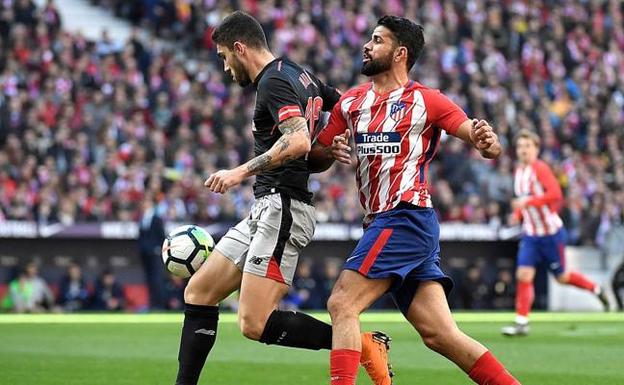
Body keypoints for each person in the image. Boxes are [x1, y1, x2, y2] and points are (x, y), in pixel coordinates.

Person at [174, 11, 392, 385]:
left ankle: (362, 343)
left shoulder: (272, 83)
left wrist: (238, 172)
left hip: (284, 207)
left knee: (253, 323)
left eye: (225, 57)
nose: (226, 68)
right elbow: (339, 106)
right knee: (199, 291)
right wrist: (332, 143)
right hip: (266, 206)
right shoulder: (297, 72)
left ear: (240, 48)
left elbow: (298, 140)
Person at [309, 15, 521, 385]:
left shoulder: (427, 100)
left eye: (377, 40)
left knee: (342, 303)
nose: (367, 45)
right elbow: (317, 155)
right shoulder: (351, 103)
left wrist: (488, 141)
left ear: (399, 53)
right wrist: (329, 152)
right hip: (389, 222)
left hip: (404, 216)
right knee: (440, 335)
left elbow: (476, 135)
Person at [501, 129, 610, 336]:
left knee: (561, 276)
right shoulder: (518, 172)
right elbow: (522, 201)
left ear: (536, 149)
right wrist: (518, 213)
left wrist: (528, 202)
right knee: (524, 274)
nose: (523, 150)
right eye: (520, 147)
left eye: (527, 146)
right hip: (531, 234)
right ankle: (521, 322)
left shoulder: (540, 169)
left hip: (550, 233)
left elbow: (555, 194)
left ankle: (596, 289)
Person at [138, 197, 167, 310]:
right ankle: (152, 303)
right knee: (149, 279)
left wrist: (158, 248)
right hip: (145, 253)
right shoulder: (142, 218)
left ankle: (159, 304)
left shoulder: (156, 218)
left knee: (157, 279)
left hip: (154, 253)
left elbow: (161, 235)